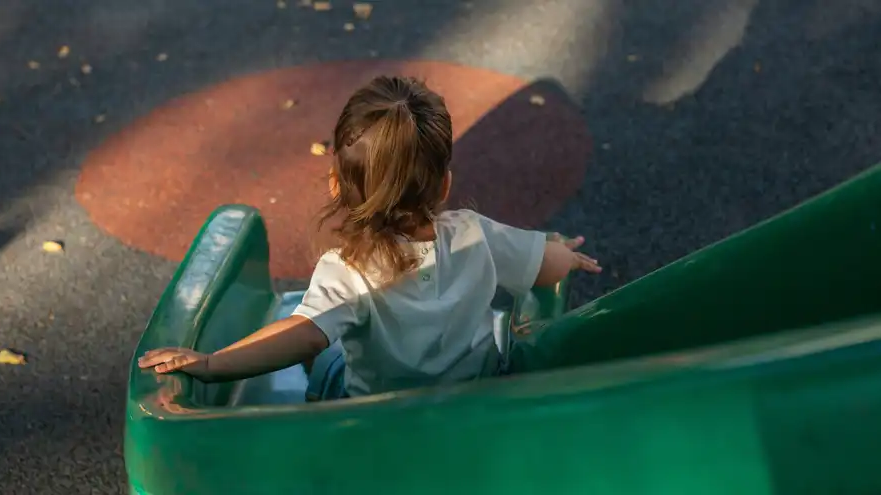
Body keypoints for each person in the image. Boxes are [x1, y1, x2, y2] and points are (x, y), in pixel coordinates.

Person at [138, 75, 601, 400]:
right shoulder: (475, 234)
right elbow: (547, 266)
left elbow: (302, 336)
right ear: (444, 185)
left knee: (324, 358)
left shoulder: (347, 270)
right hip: (470, 399)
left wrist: (212, 363)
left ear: (336, 186)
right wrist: (565, 253)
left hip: (376, 415)